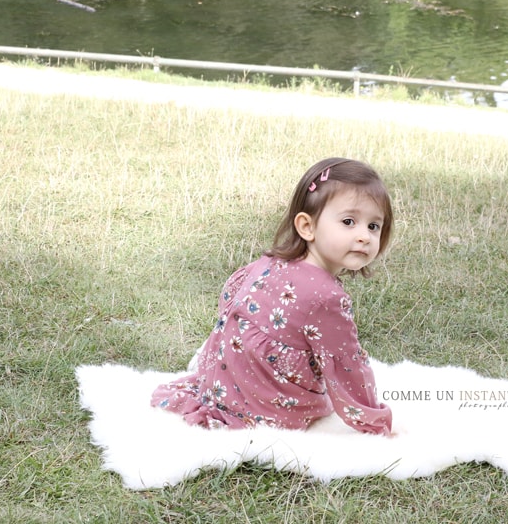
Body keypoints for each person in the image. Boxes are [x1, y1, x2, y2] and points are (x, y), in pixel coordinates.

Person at [151, 158, 393, 435]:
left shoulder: (270, 263)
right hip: (272, 411)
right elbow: (346, 367)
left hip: (220, 386)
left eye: (374, 226)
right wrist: (375, 422)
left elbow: (230, 301)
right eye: (349, 222)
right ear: (307, 226)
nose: (364, 236)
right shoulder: (326, 298)